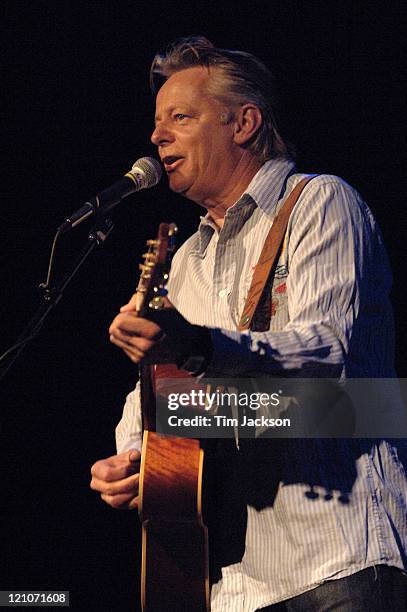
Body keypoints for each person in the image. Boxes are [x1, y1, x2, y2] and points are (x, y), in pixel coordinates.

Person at [90, 37, 407, 611]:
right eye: (157, 123)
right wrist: (132, 457)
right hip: (233, 583)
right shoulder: (186, 259)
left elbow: (330, 354)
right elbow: (161, 399)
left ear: (244, 124)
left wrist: (203, 349)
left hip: (337, 559)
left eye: (180, 118)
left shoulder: (320, 202)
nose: (157, 136)